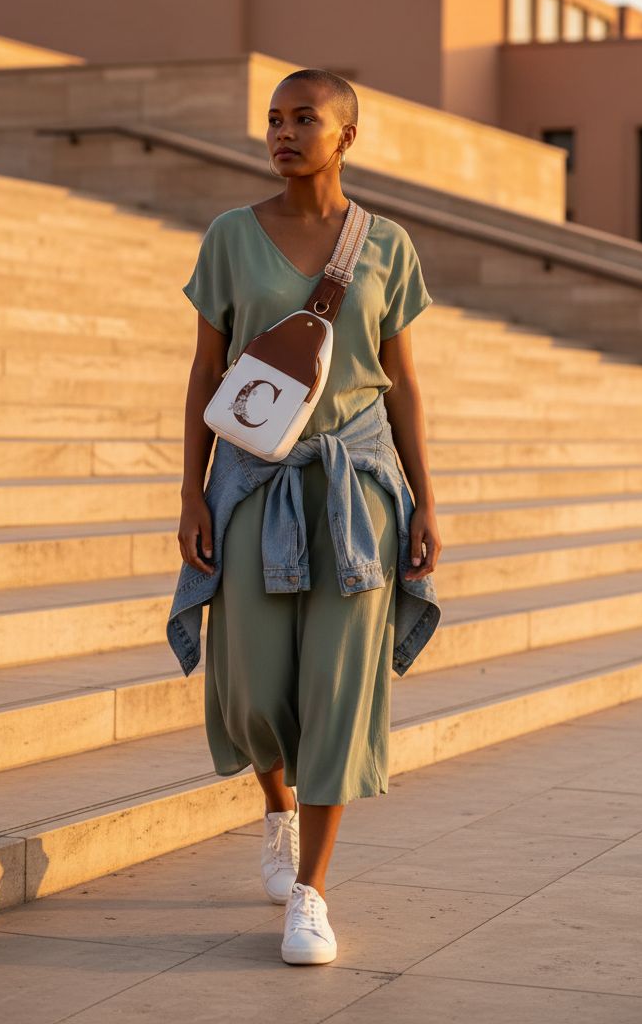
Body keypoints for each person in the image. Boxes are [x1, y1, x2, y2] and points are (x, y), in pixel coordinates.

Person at [173, 68, 443, 966]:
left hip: (358, 493)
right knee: (252, 690)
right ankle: (277, 806)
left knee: (338, 686)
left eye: (304, 119)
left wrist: (426, 501)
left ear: (346, 136)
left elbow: (403, 384)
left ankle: (311, 893)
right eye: (274, 119)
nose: (284, 133)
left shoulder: (387, 245)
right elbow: (205, 371)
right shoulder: (229, 236)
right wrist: (190, 493)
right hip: (253, 484)